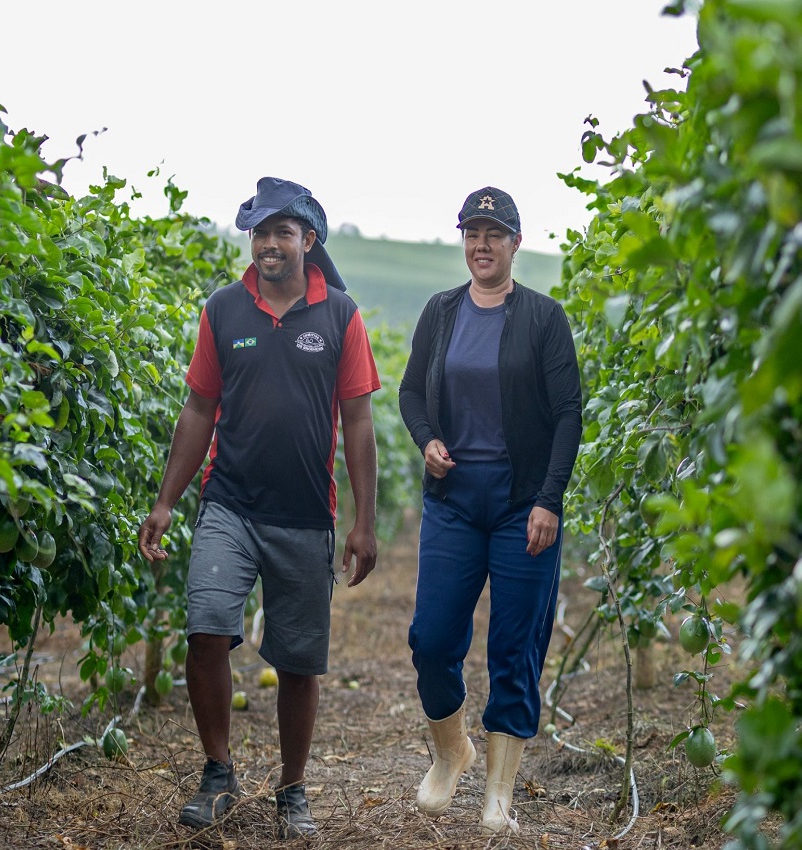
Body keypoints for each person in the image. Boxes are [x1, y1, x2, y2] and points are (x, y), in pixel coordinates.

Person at [138, 177, 380, 840]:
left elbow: (358, 421)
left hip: (306, 514)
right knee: (207, 627)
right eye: (259, 231)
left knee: (299, 662)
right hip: (230, 504)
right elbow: (198, 409)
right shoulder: (224, 310)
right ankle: (218, 772)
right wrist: (166, 501)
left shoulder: (341, 316)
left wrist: (364, 521)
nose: (269, 244)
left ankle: (292, 789)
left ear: (308, 239)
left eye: (282, 231)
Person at [397, 186, 582, 834]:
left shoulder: (542, 318)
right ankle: (451, 751)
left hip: (520, 506)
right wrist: (428, 441)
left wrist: (548, 501)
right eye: (472, 233)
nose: (481, 245)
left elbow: (567, 416)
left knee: (515, 646)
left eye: (493, 234)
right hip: (453, 500)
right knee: (433, 637)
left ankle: (498, 797)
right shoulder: (441, 312)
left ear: (515, 244)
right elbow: (412, 390)